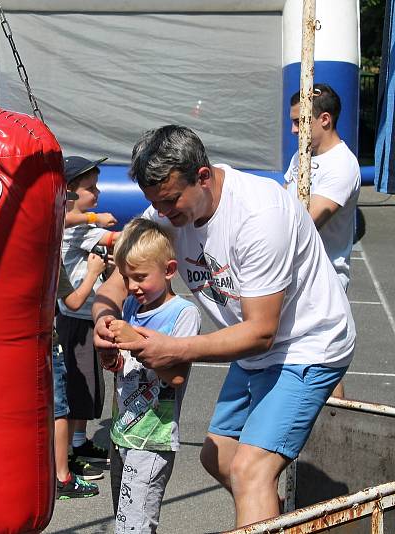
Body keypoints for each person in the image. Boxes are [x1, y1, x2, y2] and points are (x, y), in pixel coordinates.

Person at [92, 125, 355, 528]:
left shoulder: (259, 215)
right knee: (218, 457)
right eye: (155, 204)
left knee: (252, 470)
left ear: (202, 176)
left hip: (306, 346)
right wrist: (103, 322)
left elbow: (261, 331)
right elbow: (118, 275)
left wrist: (174, 349)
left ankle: (267, 514)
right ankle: (277, 520)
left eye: (170, 201)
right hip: (255, 353)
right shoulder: (168, 210)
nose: (163, 214)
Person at [101, 217, 200, 533]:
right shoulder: (131, 304)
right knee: (125, 521)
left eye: (140, 277)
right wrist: (112, 357)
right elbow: (128, 366)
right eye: (127, 278)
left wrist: (135, 341)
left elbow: (176, 376)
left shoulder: (183, 314)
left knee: (134, 527)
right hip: (122, 433)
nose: (132, 287)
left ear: (169, 270)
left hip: (152, 439)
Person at [284, 84, 360, 398]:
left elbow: (307, 220)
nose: (293, 130)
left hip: (324, 281)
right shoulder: (302, 155)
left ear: (324, 119)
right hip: (295, 275)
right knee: (295, 360)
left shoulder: (342, 165)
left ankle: (331, 437)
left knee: (321, 366)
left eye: (300, 122)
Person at [57, 155, 121, 479]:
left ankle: (80, 444)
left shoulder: (83, 223)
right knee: (77, 391)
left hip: (85, 316)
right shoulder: (75, 226)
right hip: (75, 318)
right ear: (68, 191)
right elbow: (114, 240)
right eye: (89, 188)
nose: (96, 193)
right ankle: (67, 454)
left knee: (89, 387)